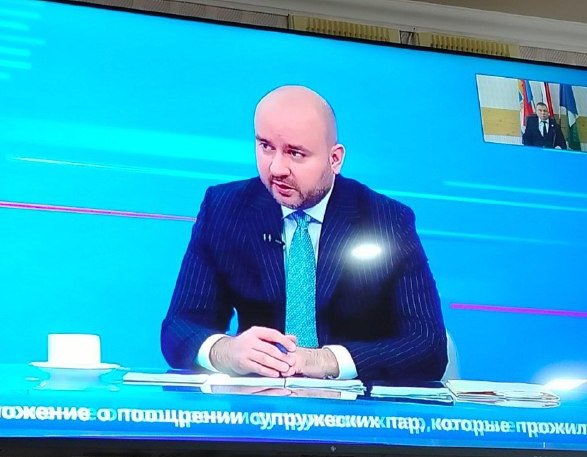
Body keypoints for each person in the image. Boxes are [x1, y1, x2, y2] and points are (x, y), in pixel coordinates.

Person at [160, 85, 447, 382]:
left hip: (354, 404)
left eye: (295, 153)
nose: (277, 168)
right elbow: (178, 327)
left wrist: (327, 361)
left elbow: (428, 346)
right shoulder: (224, 209)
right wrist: (226, 351)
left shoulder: (387, 220)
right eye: (265, 147)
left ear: (335, 159)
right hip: (257, 402)